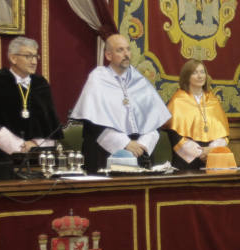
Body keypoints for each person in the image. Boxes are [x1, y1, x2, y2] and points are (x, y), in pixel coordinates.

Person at [70, 34, 171, 172]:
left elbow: (154, 120)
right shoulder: (98, 78)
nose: (126, 54)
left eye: (128, 49)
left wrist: (142, 145)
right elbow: (94, 123)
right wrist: (125, 144)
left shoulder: (140, 80)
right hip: (105, 153)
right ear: (108, 55)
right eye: (120, 50)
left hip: (140, 152)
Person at [0, 37, 61, 172]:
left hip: (38, 158)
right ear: (13, 58)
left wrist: (34, 146)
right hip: (2, 159)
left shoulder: (41, 84)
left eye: (36, 56)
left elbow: (49, 123)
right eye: (28, 56)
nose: (34, 61)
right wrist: (18, 147)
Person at [163, 60, 229, 170]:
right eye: (195, 73)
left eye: (202, 72)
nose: (200, 76)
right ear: (186, 76)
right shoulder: (178, 101)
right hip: (186, 163)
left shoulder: (213, 100)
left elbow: (222, 134)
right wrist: (200, 153)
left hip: (213, 160)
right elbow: (175, 135)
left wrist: (211, 151)